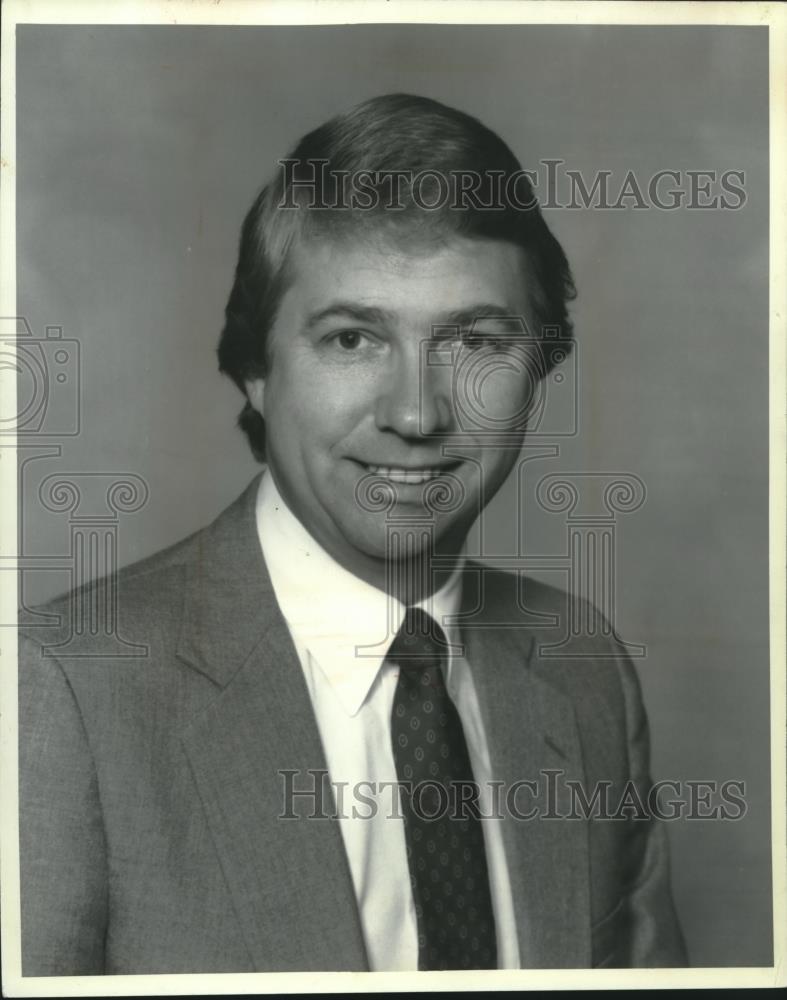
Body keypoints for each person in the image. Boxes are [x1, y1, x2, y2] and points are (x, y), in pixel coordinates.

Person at [18, 93, 687, 975]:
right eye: (351, 340)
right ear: (256, 368)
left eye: (474, 343)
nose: (415, 412)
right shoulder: (63, 688)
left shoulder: (582, 666)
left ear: (537, 375)